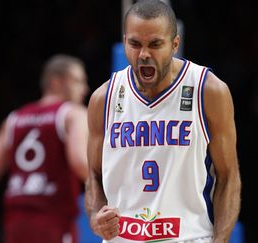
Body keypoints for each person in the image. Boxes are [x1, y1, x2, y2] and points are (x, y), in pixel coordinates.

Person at [85, 0, 241, 242]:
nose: (144, 54)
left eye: (155, 44)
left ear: (174, 44)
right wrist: (96, 215)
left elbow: (228, 176)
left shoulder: (208, 91)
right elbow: (94, 174)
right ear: (124, 41)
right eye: (135, 44)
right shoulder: (103, 98)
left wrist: (220, 240)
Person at [0, 54, 89, 243]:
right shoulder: (73, 114)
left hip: (16, 224)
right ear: (56, 82)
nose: (84, 89)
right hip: (54, 222)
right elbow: (80, 162)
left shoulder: (14, 119)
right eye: (78, 81)